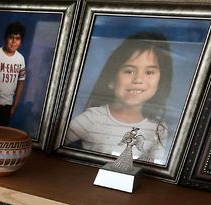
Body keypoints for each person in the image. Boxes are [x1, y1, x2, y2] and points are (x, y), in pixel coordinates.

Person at [66, 32, 172, 164]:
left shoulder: (159, 127)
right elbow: (52, 146)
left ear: (161, 83)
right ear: (111, 80)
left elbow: (155, 166)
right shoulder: (92, 119)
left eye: (149, 72)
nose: (138, 79)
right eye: (129, 71)